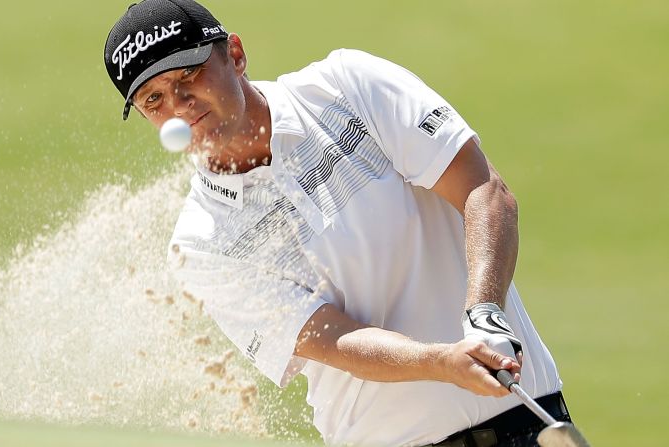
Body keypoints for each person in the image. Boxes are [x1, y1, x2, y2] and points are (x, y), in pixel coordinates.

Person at [104, 1, 573, 445]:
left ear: (236, 55)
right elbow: (336, 340)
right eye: (154, 99)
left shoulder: (348, 86)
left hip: (532, 422)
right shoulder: (200, 244)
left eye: (190, 73)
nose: (180, 103)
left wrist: (484, 310)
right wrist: (441, 361)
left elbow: (482, 189)